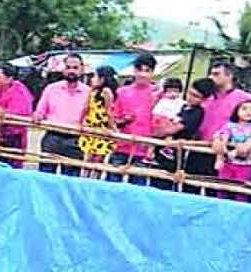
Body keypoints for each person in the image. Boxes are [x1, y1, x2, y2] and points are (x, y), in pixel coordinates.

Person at [33, 53, 90, 176]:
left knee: (71, 179)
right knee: (45, 176)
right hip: (52, 137)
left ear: (82, 69)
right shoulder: (51, 89)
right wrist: (37, 116)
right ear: (63, 69)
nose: (71, 71)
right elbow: (40, 112)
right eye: (68, 67)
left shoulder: (89, 93)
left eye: (75, 68)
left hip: (75, 140)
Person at [196, 62, 251, 177]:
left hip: (228, 151)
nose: (211, 77)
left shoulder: (245, 99)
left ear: (229, 76)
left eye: (216, 74)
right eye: (211, 74)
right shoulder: (205, 97)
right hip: (201, 148)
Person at [109, 53, 158, 181]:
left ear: (153, 72)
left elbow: (161, 122)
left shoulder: (157, 94)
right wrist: (124, 121)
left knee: (137, 190)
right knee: (113, 186)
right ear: (134, 71)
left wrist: (153, 147)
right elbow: (114, 120)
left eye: (147, 71)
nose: (143, 74)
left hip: (144, 150)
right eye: (140, 70)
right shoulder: (122, 92)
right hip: (121, 147)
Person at [154, 77, 212, 179]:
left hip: (176, 155)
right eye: (190, 93)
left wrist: (156, 133)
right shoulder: (183, 107)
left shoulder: (197, 112)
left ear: (204, 99)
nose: (190, 97)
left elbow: (174, 129)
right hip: (163, 151)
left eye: (196, 96)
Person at [0, 65, 35, 167]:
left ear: (9, 78)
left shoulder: (20, 91)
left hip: (15, 135)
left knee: (13, 164)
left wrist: (1, 111)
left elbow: (22, 112)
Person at [214, 99, 251, 198]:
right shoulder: (230, 125)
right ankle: (219, 158)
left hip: (245, 163)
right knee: (223, 187)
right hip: (228, 161)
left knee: (241, 189)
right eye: (244, 109)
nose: (248, 112)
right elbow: (225, 136)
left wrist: (238, 150)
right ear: (237, 111)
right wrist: (222, 148)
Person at [78, 65, 117, 177]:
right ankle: (88, 179)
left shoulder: (105, 91)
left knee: (94, 159)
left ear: (103, 79)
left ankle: (89, 179)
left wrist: (81, 122)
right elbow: (107, 112)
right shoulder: (94, 91)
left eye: (95, 76)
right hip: (96, 127)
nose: (92, 79)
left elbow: (107, 111)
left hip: (100, 127)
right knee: (93, 159)